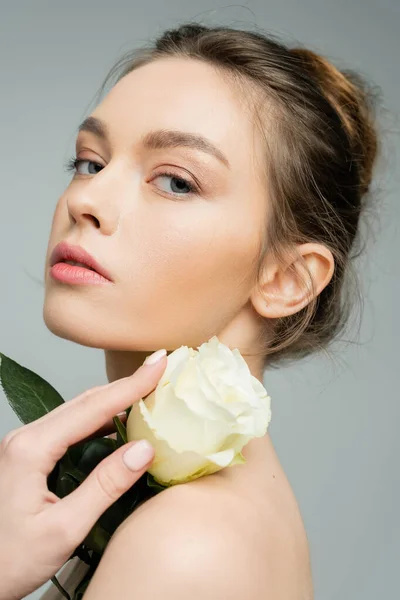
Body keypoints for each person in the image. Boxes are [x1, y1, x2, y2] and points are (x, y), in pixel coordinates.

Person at [2, 20, 381, 600]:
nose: (86, 200)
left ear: (285, 279)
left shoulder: (187, 547)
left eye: (176, 182)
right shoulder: (193, 521)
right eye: (90, 162)